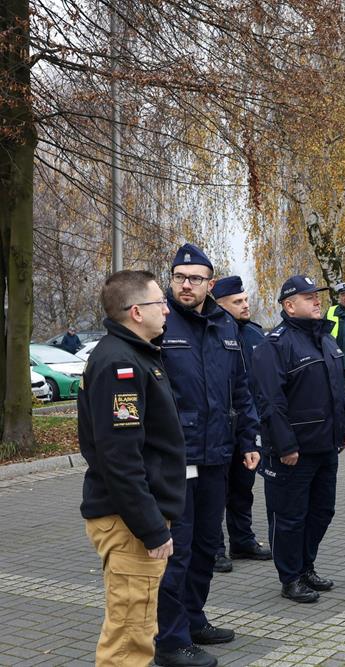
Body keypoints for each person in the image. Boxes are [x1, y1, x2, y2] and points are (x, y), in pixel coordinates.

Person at [155, 243, 259, 667]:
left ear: (210, 284)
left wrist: (250, 439)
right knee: (176, 551)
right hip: (176, 458)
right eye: (180, 277)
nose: (186, 285)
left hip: (217, 453)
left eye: (195, 278)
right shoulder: (160, 321)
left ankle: (194, 619)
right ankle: (170, 640)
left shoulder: (224, 325)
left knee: (205, 545)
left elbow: (240, 388)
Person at [78, 270, 184, 666]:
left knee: (138, 625)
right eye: (161, 303)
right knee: (129, 638)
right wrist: (152, 527)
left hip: (137, 517)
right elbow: (120, 458)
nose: (167, 310)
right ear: (136, 311)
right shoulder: (120, 364)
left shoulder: (135, 355)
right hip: (129, 523)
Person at [253, 275, 345, 603]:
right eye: (308, 296)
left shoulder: (325, 338)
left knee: (322, 510)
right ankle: (290, 576)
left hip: (326, 445)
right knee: (289, 516)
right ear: (288, 305)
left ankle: (306, 565)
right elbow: (270, 401)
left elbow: (338, 388)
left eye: (317, 296)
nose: (316, 301)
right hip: (293, 451)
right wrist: (286, 445)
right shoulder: (275, 344)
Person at [210, 276, 271, 573]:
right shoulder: (211, 332)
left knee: (242, 486)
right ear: (218, 305)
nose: (245, 305)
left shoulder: (254, 334)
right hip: (218, 424)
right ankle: (213, 548)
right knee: (214, 491)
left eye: (245, 300)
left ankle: (242, 540)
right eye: (238, 302)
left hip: (247, 423)